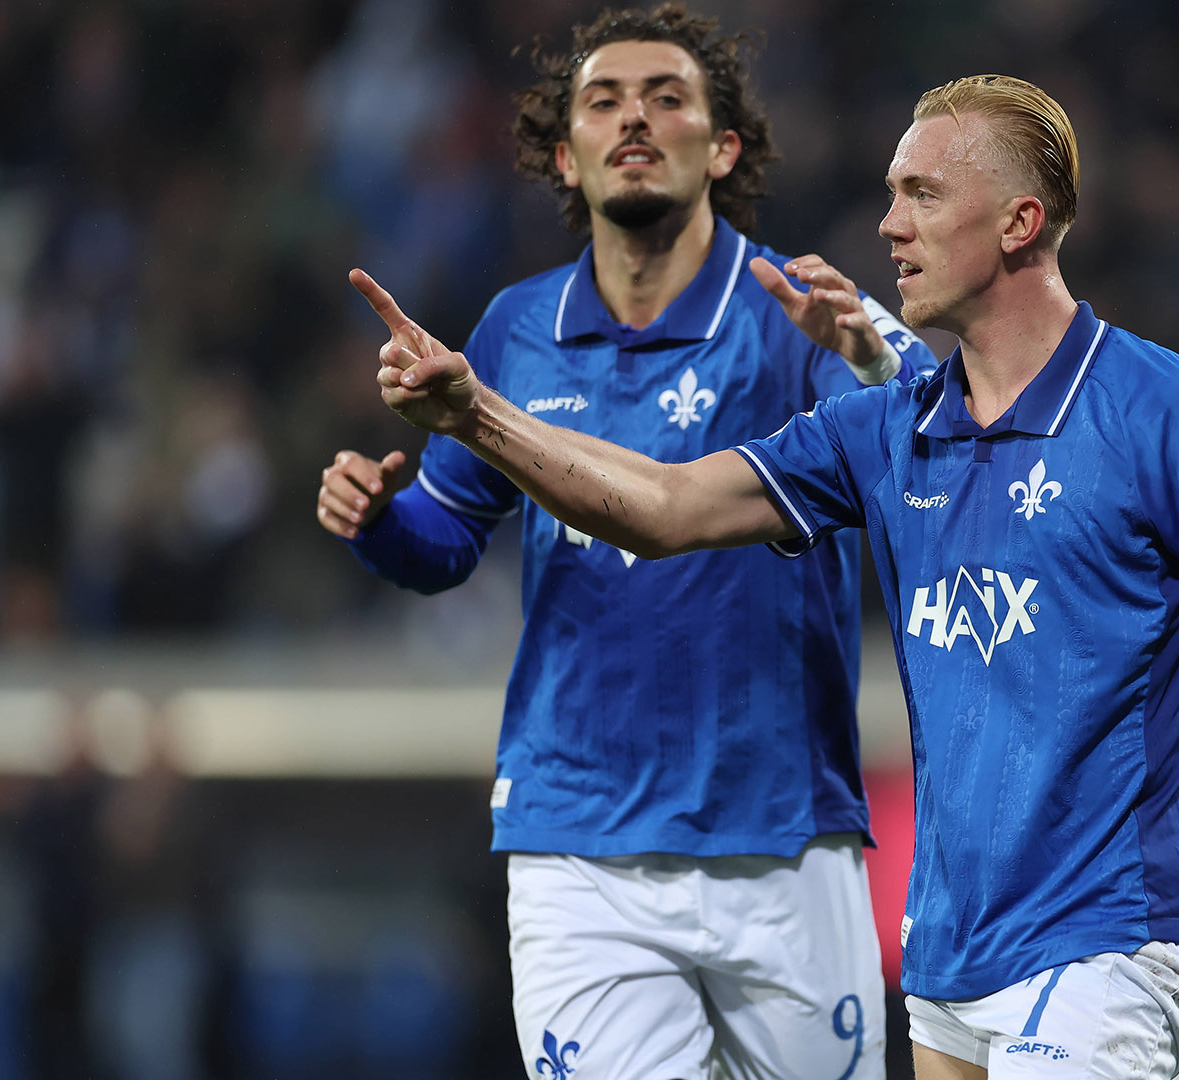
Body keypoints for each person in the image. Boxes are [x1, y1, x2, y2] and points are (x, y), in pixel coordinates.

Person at [354, 73, 1179, 1079]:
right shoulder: (885, 430)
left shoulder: (1174, 414)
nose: (888, 224)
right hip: (949, 956)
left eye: (923, 194)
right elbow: (665, 510)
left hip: (1114, 936)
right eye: (893, 193)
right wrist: (477, 418)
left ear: (1019, 224)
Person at [314, 6, 935, 1078]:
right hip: (578, 838)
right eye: (603, 102)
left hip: (781, 825)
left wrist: (874, 355)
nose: (634, 119)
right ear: (566, 154)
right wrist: (380, 521)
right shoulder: (517, 325)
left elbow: (940, 441)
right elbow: (449, 539)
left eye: (667, 98)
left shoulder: (799, 307)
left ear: (723, 144)